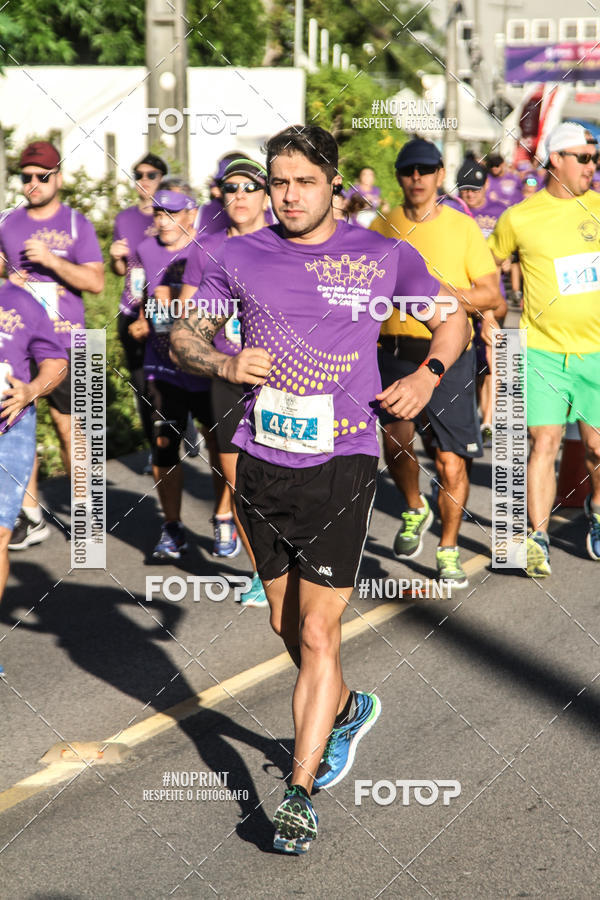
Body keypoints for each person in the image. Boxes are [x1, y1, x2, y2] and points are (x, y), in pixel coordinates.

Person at [170, 125, 470, 853]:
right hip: (260, 457)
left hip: (344, 456)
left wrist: (423, 377)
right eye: (278, 181)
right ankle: (346, 706)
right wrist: (221, 362)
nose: (290, 194)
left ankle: (297, 795)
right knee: (282, 622)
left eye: (305, 180)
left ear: (334, 181)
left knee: (315, 629)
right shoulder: (231, 252)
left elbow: (454, 316)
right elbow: (183, 332)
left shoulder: (380, 254)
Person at [371, 138, 503, 589]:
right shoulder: (380, 225)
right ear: (399, 175)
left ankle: (448, 548)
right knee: (397, 446)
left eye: (426, 170)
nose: (417, 178)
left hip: (448, 355)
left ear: (440, 175)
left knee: (449, 461)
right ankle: (414, 508)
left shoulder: (462, 227)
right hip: (392, 352)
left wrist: (442, 296)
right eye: (408, 170)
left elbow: (493, 296)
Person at [488, 122, 600, 576]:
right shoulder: (519, 217)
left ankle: (596, 509)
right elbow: (486, 267)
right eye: (586, 158)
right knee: (544, 443)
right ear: (556, 159)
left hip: (596, 352)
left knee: (596, 449)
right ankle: (536, 538)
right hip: (542, 352)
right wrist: (486, 317)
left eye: (595, 159)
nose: (593, 166)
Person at [0, 141, 104, 549]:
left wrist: (51, 261)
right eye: (25, 176)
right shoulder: (8, 222)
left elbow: (95, 282)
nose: (33, 183)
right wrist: (12, 282)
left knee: (70, 428)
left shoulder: (77, 223)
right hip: (17, 343)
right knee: (17, 422)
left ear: (58, 177)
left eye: (41, 175)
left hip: (68, 341)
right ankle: (29, 515)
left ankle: (86, 516)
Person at [179, 158, 271, 605]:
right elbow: (186, 316)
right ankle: (262, 572)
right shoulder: (205, 248)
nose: (239, 195)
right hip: (228, 375)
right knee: (239, 482)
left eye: (250, 187)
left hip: (280, 376)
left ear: (266, 193)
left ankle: (301, 558)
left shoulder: (284, 244)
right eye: (230, 187)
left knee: (291, 476)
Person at [127, 189, 220, 561]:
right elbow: (138, 298)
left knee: (220, 447)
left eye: (171, 213)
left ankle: (224, 515)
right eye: (159, 213)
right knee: (164, 445)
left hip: (206, 366)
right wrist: (140, 320)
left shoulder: (211, 248)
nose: (162, 220)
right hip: (162, 366)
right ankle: (173, 526)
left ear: (192, 214)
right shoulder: (145, 250)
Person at [0, 279, 67, 671]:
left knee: (1, 532)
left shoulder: (20, 300)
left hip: (11, 427)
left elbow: (56, 362)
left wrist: (31, 391)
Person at [110, 153, 167, 457]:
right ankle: (155, 450)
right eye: (138, 174)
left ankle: (181, 428)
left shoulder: (168, 215)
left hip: (162, 309)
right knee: (141, 382)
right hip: (130, 309)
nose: (143, 180)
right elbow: (121, 271)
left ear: (162, 178)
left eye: (151, 174)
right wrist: (116, 257)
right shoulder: (124, 218)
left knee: (171, 378)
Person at [457, 157, 509, 446]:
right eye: (465, 189)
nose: (470, 195)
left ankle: (489, 420)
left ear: (486, 185)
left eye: (475, 189)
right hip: (463, 297)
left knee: (493, 358)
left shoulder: (502, 213)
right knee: (472, 361)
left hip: (491, 298)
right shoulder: (453, 211)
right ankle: (477, 410)